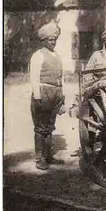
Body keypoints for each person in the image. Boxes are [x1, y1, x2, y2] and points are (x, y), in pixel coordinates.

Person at [29, 22, 66, 170]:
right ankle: (40, 159)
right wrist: (37, 97)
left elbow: (61, 77)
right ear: (43, 41)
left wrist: (62, 97)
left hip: (56, 93)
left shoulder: (57, 56)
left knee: (50, 127)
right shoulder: (38, 55)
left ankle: (48, 155)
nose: (53, 42)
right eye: (50, 39)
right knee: (41, 127)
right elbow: (34, 77)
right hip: (43, 93)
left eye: (54, 39)